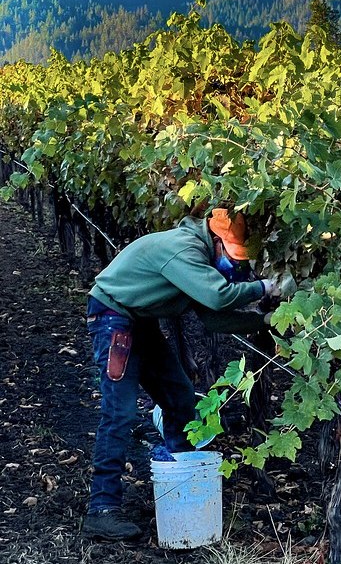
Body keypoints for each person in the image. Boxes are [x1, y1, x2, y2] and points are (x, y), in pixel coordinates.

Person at [82, 207, 289, 540]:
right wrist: (264, 287)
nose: (234, 265)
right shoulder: (184, 250)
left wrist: (264, 321)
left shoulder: (201, 261)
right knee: (119, 413)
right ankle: (102, 509)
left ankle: (180, 484)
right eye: (232, 256)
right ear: (216, 240)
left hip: (139, 321)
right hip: (113, 317)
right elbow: (217, 297)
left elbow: (213, 319)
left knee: (180, 399)